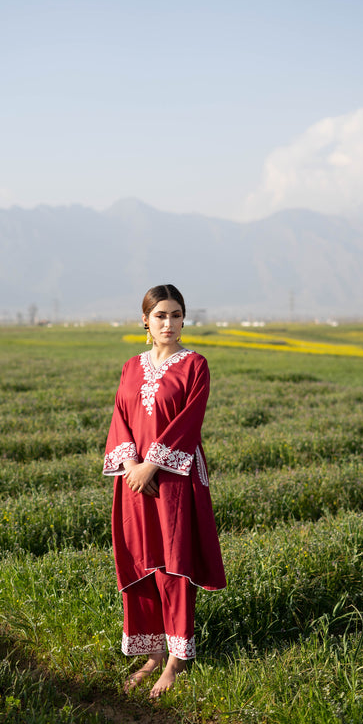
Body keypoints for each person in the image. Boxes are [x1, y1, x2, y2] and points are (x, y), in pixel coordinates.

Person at [103, 284, 226, 698]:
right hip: (134, 477)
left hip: (176, 477)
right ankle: (153, 651)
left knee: (175, 563)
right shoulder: (130, 367)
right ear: (145, 320)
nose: (168, 323)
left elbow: (189, 421)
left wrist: (153, 464)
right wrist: (132, 467)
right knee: (141, 560)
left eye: (175, 315)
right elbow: (120, 417)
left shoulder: (195, 365)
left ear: (184, 319)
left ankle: (177, 660)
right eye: (160, 316)